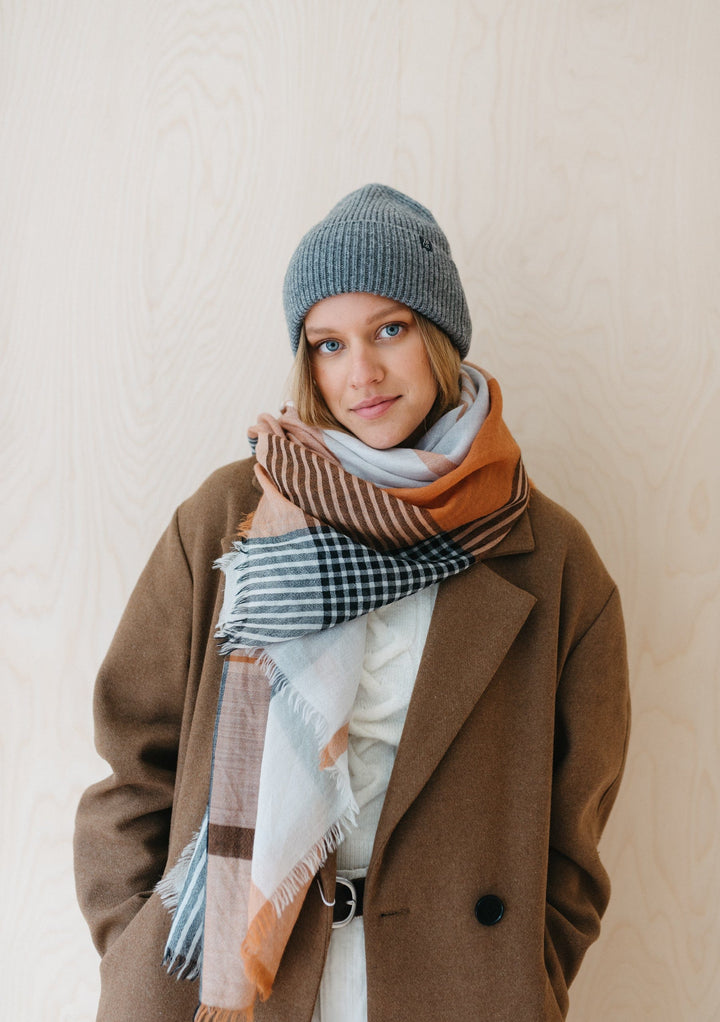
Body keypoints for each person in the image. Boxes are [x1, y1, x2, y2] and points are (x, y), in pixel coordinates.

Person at [74, 184, 630, 1022]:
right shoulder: (236, 519)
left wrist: (528, 972)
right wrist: (137, 944)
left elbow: (574, 839)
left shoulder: (550, 559)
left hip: (457, 990)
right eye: (328, 343)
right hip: (234, 980)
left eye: (389, 331)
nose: (360, 373)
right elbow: (132, 763)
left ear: (439, 334)